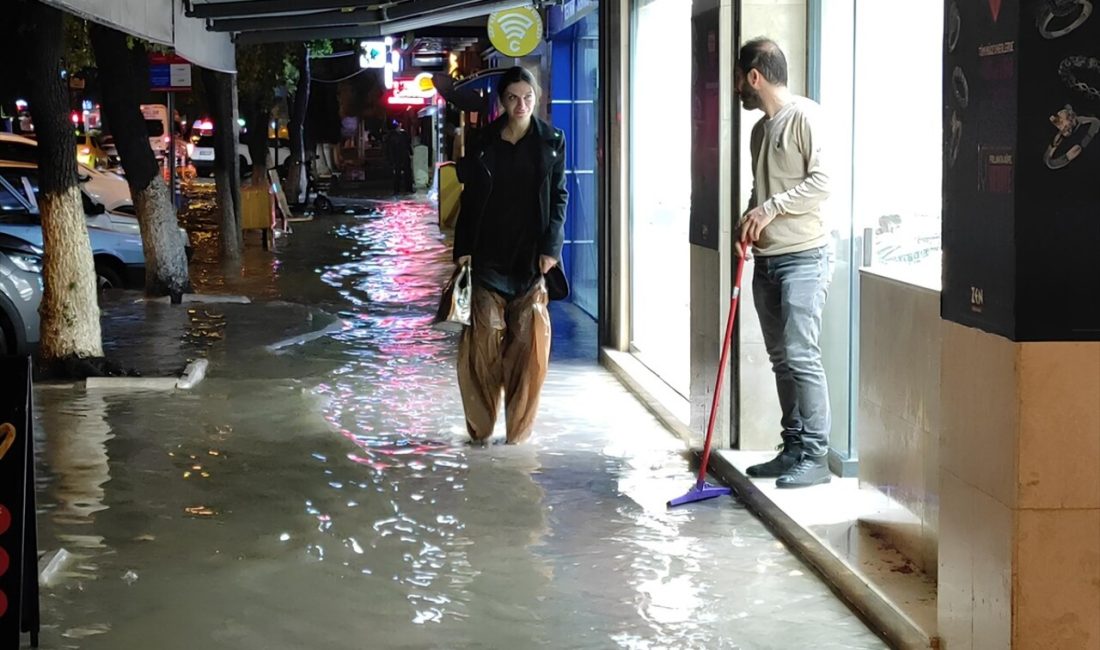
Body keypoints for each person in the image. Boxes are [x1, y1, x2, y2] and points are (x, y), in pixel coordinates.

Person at [735, 38, 834, 488]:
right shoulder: (759, 130)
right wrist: (748, 221)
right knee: (781, 359)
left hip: (805, 258)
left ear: (754, 77)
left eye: (740, 80)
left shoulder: (806, 117)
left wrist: (770, 209)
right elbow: (761, 193)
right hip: (767, 260)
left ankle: (815, 455)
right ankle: (792, 446)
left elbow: (822, 183)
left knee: (801, 355)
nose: (739, 90)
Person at [451, 66, 568, 444]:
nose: (522, 105)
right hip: (487, 258)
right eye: (514, 98)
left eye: (528, 98)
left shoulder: (552, 140)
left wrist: (552, 248)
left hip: (531, 260)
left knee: (529, 348)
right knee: (481, 346)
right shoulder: (483, 140)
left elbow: (559, 197)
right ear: (502, 101)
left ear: (537, 99)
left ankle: (517, 436)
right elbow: (468, 200)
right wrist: (463, 251)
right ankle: (481, 432)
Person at [384, 121, 413, 194]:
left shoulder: (401, 134)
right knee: (399, 174)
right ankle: (400, 189)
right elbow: (390, 149)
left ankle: (405, 189)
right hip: (398, 157)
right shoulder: (394, 136)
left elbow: (407, 145)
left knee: (406, 173)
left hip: (401, 156)